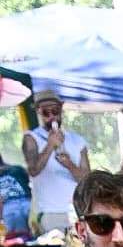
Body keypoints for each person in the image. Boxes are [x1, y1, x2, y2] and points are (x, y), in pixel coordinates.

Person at [23, 94, 89, 236]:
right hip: (49, 212)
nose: (52, 116)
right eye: (46, 112)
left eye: (55, 111)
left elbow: (87, 180)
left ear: (61, 110)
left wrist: (70, 165)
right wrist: (50, 145)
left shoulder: (78, 140)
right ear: (39, 112)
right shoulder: (31, 137)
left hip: (76, 211)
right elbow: (33, 170)